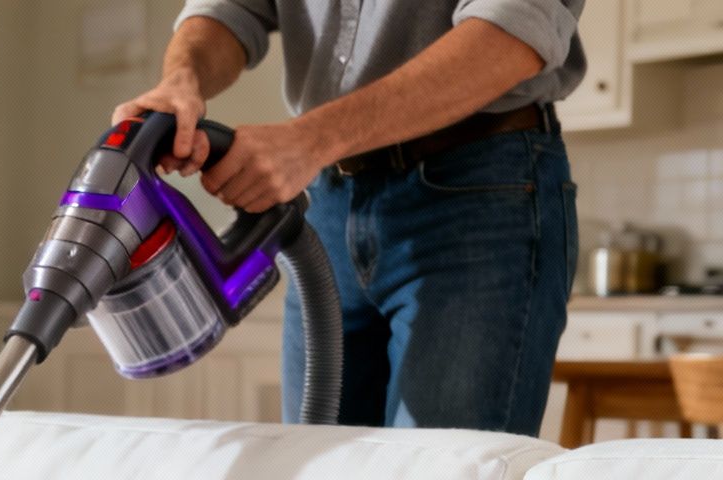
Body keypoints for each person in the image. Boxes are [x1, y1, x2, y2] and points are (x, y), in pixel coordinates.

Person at [118, 3, 585, 432]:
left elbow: (514, 31)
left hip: (476, 195)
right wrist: (183, 78)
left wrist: (311, 139)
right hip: (328, 202)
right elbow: (232, 7)